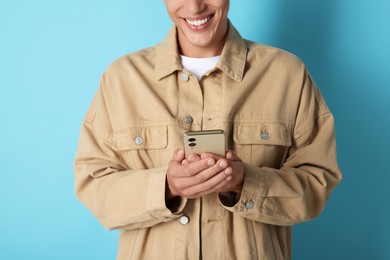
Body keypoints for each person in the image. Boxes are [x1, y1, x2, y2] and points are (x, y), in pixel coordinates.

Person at [74, 0, 342, 259]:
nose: (194, 6)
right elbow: (94, 185)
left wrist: (244, 182)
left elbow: (318, 182)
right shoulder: (121, 79)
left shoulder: (287, 74)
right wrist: (166, 187)